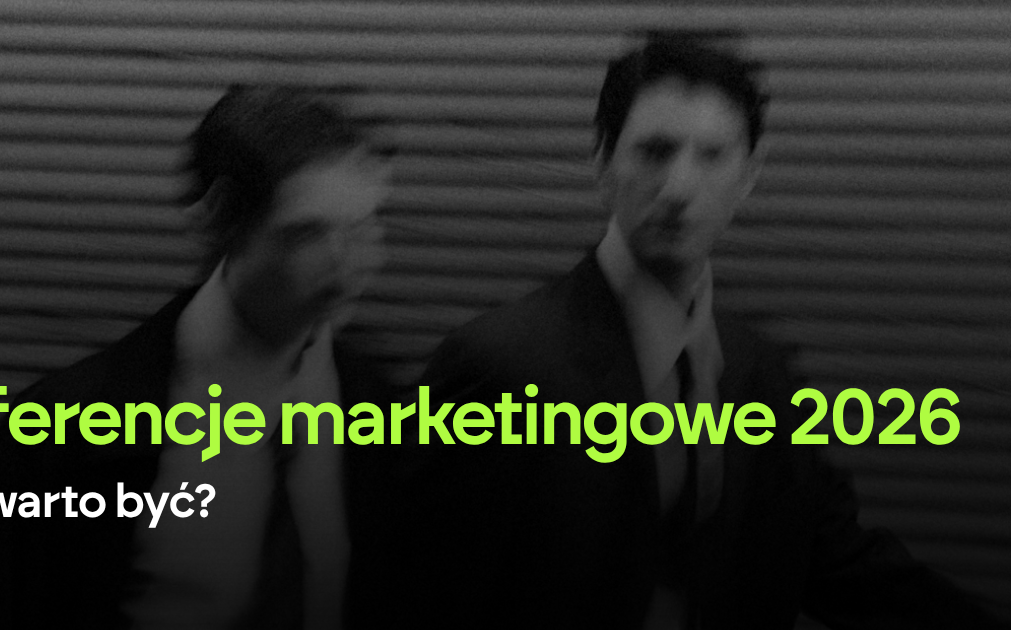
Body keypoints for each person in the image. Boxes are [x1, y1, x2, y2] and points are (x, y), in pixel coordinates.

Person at [394, 35, 1003, 629]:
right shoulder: (497, 366)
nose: (679, 189)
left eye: (712, 156)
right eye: (655, 152)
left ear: (749, 175)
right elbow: (424, 597)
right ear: (603, 163)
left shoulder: (759, 371)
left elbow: (840, 561)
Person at [0, 85, 392, 629]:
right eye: (306, 233)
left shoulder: (382, 411)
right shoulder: (60, 433)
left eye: (364, 225)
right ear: (222, 217)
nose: (350, 264)